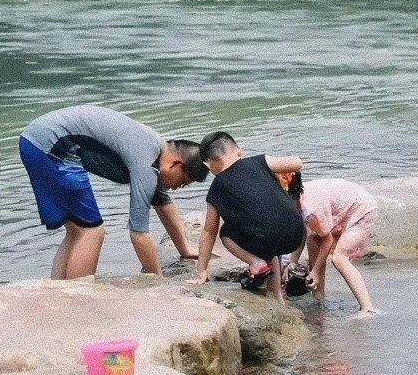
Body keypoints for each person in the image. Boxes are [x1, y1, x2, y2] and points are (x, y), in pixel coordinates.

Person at [19, 105, 208, 279]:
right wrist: (158, 282)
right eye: (184, 182)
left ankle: (60, 291)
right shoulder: (147, 162)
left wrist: (185, 249)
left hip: (35, 140)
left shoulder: (154, 150)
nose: (179, 187)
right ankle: (76, 299)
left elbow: (162, 202)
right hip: (51, 145)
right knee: (91, 232)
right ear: (176, 164)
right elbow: (139, 234)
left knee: (76, 230)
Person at [191, 131, 304, 304]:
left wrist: (201, 272)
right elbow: (297, 163)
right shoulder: (259, 161)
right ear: (239, 152)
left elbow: (208, 232)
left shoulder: (216, 187)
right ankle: (278, 299)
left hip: (267, 238)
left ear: (208, 165)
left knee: (225, 231)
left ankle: (255, 263)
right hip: (296, 232)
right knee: (268, 245)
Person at [282, 174, 379, 316]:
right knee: (313, 240)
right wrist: (292, 262)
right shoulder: (297, 201)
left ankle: (367, 308)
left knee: (339, 258)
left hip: (361, 210)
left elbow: (328, 239)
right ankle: (318, 295)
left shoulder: (311, 208)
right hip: (343, 210)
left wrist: (314, 271)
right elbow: (302, 234)